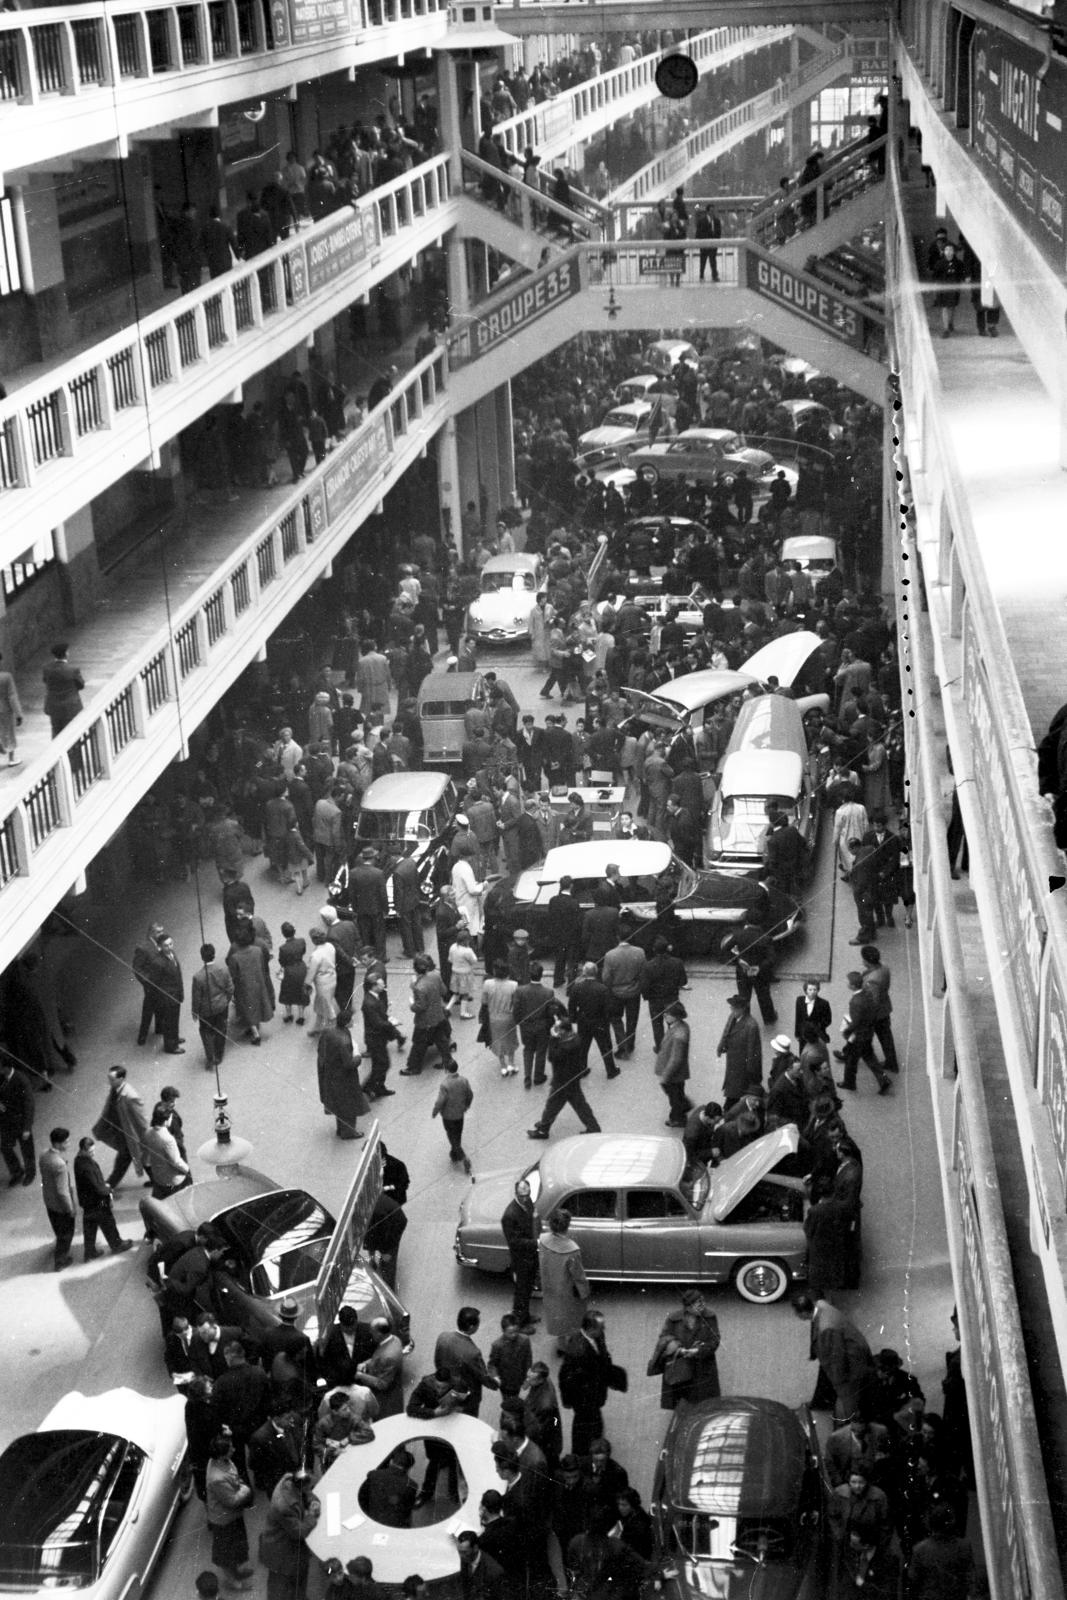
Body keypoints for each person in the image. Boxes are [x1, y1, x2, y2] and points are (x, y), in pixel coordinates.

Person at [792, 1292, 876, 1423]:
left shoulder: (826, 1329)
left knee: (846, 1395)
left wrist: (839, 1380)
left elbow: (837, 1357)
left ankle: (849, 1422)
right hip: (853, 1348)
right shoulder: (821, 1305)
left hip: (852, 1361)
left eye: (796, 1313)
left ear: (803, 1313)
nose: (795, 1316)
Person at [559, 1310, 623, 1457]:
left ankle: (590, 1452)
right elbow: (566, 1376)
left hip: (594, 1396)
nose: (604, 1330)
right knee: (584, 1432)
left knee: (593, 1427)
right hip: (583, 1400)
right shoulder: (577, 1349)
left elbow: (603, 1355)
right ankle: (583, 1457)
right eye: (601, 1327)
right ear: (591, 1329)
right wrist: (569, 1401)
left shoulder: (598, 1336)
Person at [528, 1016, 601, 1139]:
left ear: (564, 1031)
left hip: (562, 1080)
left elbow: (552, 1056)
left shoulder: (565, 1046)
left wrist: (553, 1038)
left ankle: (543, 1129)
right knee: (579, 1105)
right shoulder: (575, 1038)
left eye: (558, 1029)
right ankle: (593, 1127)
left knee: (552, 1105)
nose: (557, 1030)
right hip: (571, 1079)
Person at [648, 1287, 721, 1409]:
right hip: (680, 1364)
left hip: (702, 1365)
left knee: (702, 1400)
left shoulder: (710, 1317)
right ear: (688, 1307)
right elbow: (664, 1338)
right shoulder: (673, 1318)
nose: (702, 1306)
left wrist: (698, 1351)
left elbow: (715, 1340)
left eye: (703, 1302)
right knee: (681, 1399)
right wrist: (679, 1350)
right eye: (698, 1304)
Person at [260, 1468, 321, 1600]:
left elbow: (307, 1494)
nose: (311, 1489)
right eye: (310, 1487)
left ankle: (300, 1596)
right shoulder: (284, 1506)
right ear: (302, 1486)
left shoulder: (290, 1479)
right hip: (281, 1549)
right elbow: (298, 1532)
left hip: (286, 1543)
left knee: (297, 1575)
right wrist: (311, 1516)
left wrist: (312, 1501)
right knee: (282, 1584)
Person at [205, 1433, 255, 1591]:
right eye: (230, 1448)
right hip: (224, 1520)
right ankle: (232, 1580)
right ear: (221, 1455)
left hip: (231, 1517)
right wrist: (245, 1488)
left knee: (236, 1548)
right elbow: (232, 1501)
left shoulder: (220, 1462)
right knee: (227, 1554)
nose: (233, 1449)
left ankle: (237, 1572)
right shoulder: (216, 1478)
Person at [433, 1306, 499, 1417]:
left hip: (445, 1390)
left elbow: (437, 1362)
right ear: (472, 1327)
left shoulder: (443, 1337)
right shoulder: (473, 1352)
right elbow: (483, 1376)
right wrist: (496, 1382)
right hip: (467, 1399)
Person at [92, 1064, 149, 1190]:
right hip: (121, 1130)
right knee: (137, 1156)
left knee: (125, 1157)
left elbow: (141, 1120)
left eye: (112, 1079)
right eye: (109, 1078)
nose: (109, 1082)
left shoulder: (130, 1096)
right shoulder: (116, 1090)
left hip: (128, 1133)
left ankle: (110, 1184)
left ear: (121, 1079)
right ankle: (156, 1180)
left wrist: (146, 1136)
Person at [538, 1208, 589, 1346]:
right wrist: (584, 1291)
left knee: (556, 1314)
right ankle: (570, 1344)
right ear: (567, 1225)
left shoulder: (543, 1240)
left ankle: (560, 1342)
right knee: (570, 1315)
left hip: (549, 1285)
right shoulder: (572, 1249)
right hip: (565, 1289)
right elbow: (578, 1275)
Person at [836, 971, 891, 1094]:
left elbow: (855, 1022)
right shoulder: (867, 994)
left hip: (858, 1036)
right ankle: (883, 1079)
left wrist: (846, 1030)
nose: (846, 983)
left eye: (848, 982)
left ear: (853, 986)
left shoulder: (855, 1001)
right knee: (869, 1056)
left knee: (851, 1060)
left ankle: (849, 1083)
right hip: (867, 1032)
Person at [401, 953, 452, 1075]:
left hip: (425, 1021)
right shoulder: (435, 975)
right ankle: (447, 1061)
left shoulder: (419, 987)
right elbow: (444, 991)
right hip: (438, 1015)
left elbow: (420, 1007)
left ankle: (414, 1067)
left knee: (418, 1044)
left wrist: (411, 1004)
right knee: (441, 1040)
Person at [317, 1022, 370, 1139]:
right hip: (345, 1080)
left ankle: (341, 1128)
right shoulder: (342, 1040)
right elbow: (349, 1063)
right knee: (349, 1107)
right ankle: (349, 1132)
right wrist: (357, 1057)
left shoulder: (327, 1040)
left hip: (331, 1079)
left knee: (339, 1106)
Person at [501, 1178, 539, 1333]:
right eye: (522, 1195)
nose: (525, 1198)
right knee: (521, 1291)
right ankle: (520, 1323)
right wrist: (535, 1243)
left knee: (528, 1287)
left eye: (527, 1194)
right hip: (521, 1259)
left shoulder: (528, 1202)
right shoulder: (510, 1215)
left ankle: (526, 1315)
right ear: (515, 1193)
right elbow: (514, 1242)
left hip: (530, 1256)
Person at [716, 993, 762, 1109]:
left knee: (734, 1094)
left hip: (742, 1066)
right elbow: (727, 1031)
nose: (732, 1010)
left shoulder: (751, 1025)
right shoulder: (733, 1017)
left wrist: (752, 1072)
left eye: (734, 1008)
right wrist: (721, 1045)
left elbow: (753, 1050)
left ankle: (728, 1113)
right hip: (732, 1062)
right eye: (732, 1008)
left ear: (742, 1009)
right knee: (733, 1092)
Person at [191, 943, 234, 1068]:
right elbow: (230, 988)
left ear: (202, 957)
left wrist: (195, 1012)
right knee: (221, 1029)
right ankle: (219, 1055)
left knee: (206, 1032)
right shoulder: (224, 969)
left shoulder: (198, 977)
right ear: (214, 955)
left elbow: (196, 998)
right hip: (221, 1006)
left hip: (206, 1010)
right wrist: (226, 1001)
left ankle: (210, 1057)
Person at [40, 1126, 76, 1270]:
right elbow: (62, 1191)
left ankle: (60, 1253)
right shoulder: (59, 1164)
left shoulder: (44, 1155)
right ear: (58, 1144)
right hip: (60, 1206)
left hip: (49, 1201)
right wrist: (70, 1209)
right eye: (66, 1142)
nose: (68, 1144)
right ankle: (61, 1260)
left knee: (58, 1228)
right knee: (66, 1234)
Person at [356, 1316, 406, 1416]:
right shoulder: (394, 1339)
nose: (370, 1333)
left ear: (379, 1334)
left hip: (386, 1400)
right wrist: (366, 1363)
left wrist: (360, 1376)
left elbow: (382, 1384)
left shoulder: (388, 1356)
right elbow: (378, 1357)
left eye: (372, 1332)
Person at [361, 974, 401, 1099]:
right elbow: (377, 1023)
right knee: (383, 1064)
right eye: (380, 984)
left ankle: (378, 1087)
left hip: (378, 1037)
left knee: (379, 1064)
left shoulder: (374, 998)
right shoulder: (369, 1003)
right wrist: (391, 1023)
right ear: (373, 986)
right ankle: (368, 1086)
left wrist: (388, 1018)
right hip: (375, 1038)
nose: (383, 985)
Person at [432, 1055, 473, 1169]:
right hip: (460, 1114)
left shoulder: (445, 1084)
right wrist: (466, 1106)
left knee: (451, 1136)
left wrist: (435, 1111)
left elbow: (440, 1101)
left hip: (448, 1116)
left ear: (446, 1070)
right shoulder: (464, 1080)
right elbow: (470, 1094)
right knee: (458, 1134)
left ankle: (463, 1157)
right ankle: (454, 1154)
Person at [655, 1001, 692, 1127]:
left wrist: (666, 1075)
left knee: (674, 1097)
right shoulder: (680, 1027)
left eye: (668, 1014)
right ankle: (682, 1110)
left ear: (676, 1016)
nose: (665, 1016)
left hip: (674, 1073)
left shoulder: (679, 1034)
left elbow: (676, 1058)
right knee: (676, 1094)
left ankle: (678, 1118)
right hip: (676, 1073)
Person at [0, 1059, 35, 1187]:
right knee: (5, 1147)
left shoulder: (21, 1080)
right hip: (7, 1121)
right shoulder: (2, 1078)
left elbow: (29, 1104)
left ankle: (30, 1173)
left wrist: (27, 1127)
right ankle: (17, 1172)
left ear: (7, 1068)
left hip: (21, 1121)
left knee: (27, 1149)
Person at [547, 874, 583, 988]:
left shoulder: (553, 900)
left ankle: (557, 980)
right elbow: (577, 922)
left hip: (557, 936)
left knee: (559, 959)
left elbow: (551, 918)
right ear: (571, 886)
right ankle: (571, 984)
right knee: (572, 962)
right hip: (571, 937)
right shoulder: (574, 902)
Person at [42, 643, 84, 738]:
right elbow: (81, 685)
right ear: (66, 653)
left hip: (54, 707)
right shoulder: (73, 670)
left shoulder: (47, 669)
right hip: (71, 708)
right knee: (72, 734)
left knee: (56, 732)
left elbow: (45, 681)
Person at [0, 653, 23, 767]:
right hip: (5, 709)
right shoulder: (6, 677)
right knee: (9, 732)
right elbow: (12, 696)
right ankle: (11, 758)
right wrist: (19, 714)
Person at [794, 978, 831, 1044]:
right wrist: (797, 1034)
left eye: (815, 990)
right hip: (803, 1035)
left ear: (818, 990)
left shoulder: (824, 1003)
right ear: (806, 990)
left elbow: (828, 1020)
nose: (812, 992)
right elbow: (798, 1018)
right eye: (810, 990)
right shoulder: (799, 1000)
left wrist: (817, 1027)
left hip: (817, 1035)